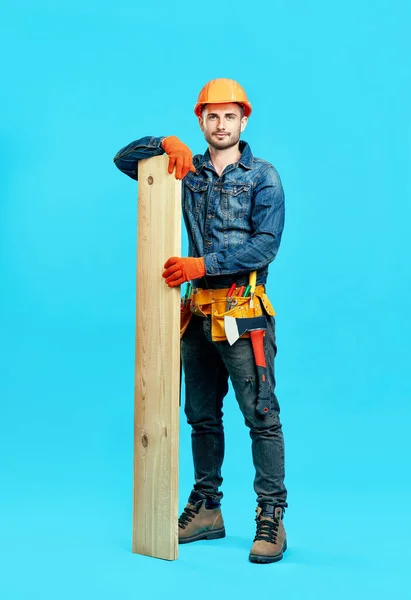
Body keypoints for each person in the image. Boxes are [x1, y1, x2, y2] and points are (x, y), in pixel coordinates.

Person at [114, 78, 288, 564]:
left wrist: (202, 266)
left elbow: (265, 245)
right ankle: (207, 507)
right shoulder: (186, 173)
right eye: (211, 116)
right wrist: (162, 143)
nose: (221, 123)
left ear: (243, 120)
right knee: (201, 416)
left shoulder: (264, 176)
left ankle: (271, 515)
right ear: (201, 120)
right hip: (197, 316)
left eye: (229, 116)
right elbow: (126, 161)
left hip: (244, 314)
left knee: (261, 416)